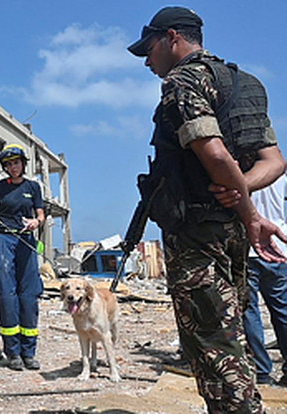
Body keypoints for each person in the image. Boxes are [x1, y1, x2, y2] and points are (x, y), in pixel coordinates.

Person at [128, 6, 287, 413]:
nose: (146, 60)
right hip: (228, 232)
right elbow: (274, 162)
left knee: (211, 343)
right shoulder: (244, 82)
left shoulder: (184, 81)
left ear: (173, 38)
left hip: (197, 233)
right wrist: (238, 195)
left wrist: (245, 207)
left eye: (149, 48)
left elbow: (214, 154)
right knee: (231, 334)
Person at [0, 143, 44, 371]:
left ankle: (29, 352)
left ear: (23, 163)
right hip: (4, 240)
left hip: (26, 241)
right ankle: (12, 353)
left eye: (16, 163)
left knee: (29, 295)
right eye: (9, 164)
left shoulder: (33, 187)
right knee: (7, 295)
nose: (13, 167)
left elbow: (40, 214)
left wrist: (36, 222)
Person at [239, 174, 287, 387]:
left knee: (250, 313)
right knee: (283, 310)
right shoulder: (279, 175)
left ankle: (261, 370)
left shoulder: (243, 175)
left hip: (250, 246)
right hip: (279, 244)